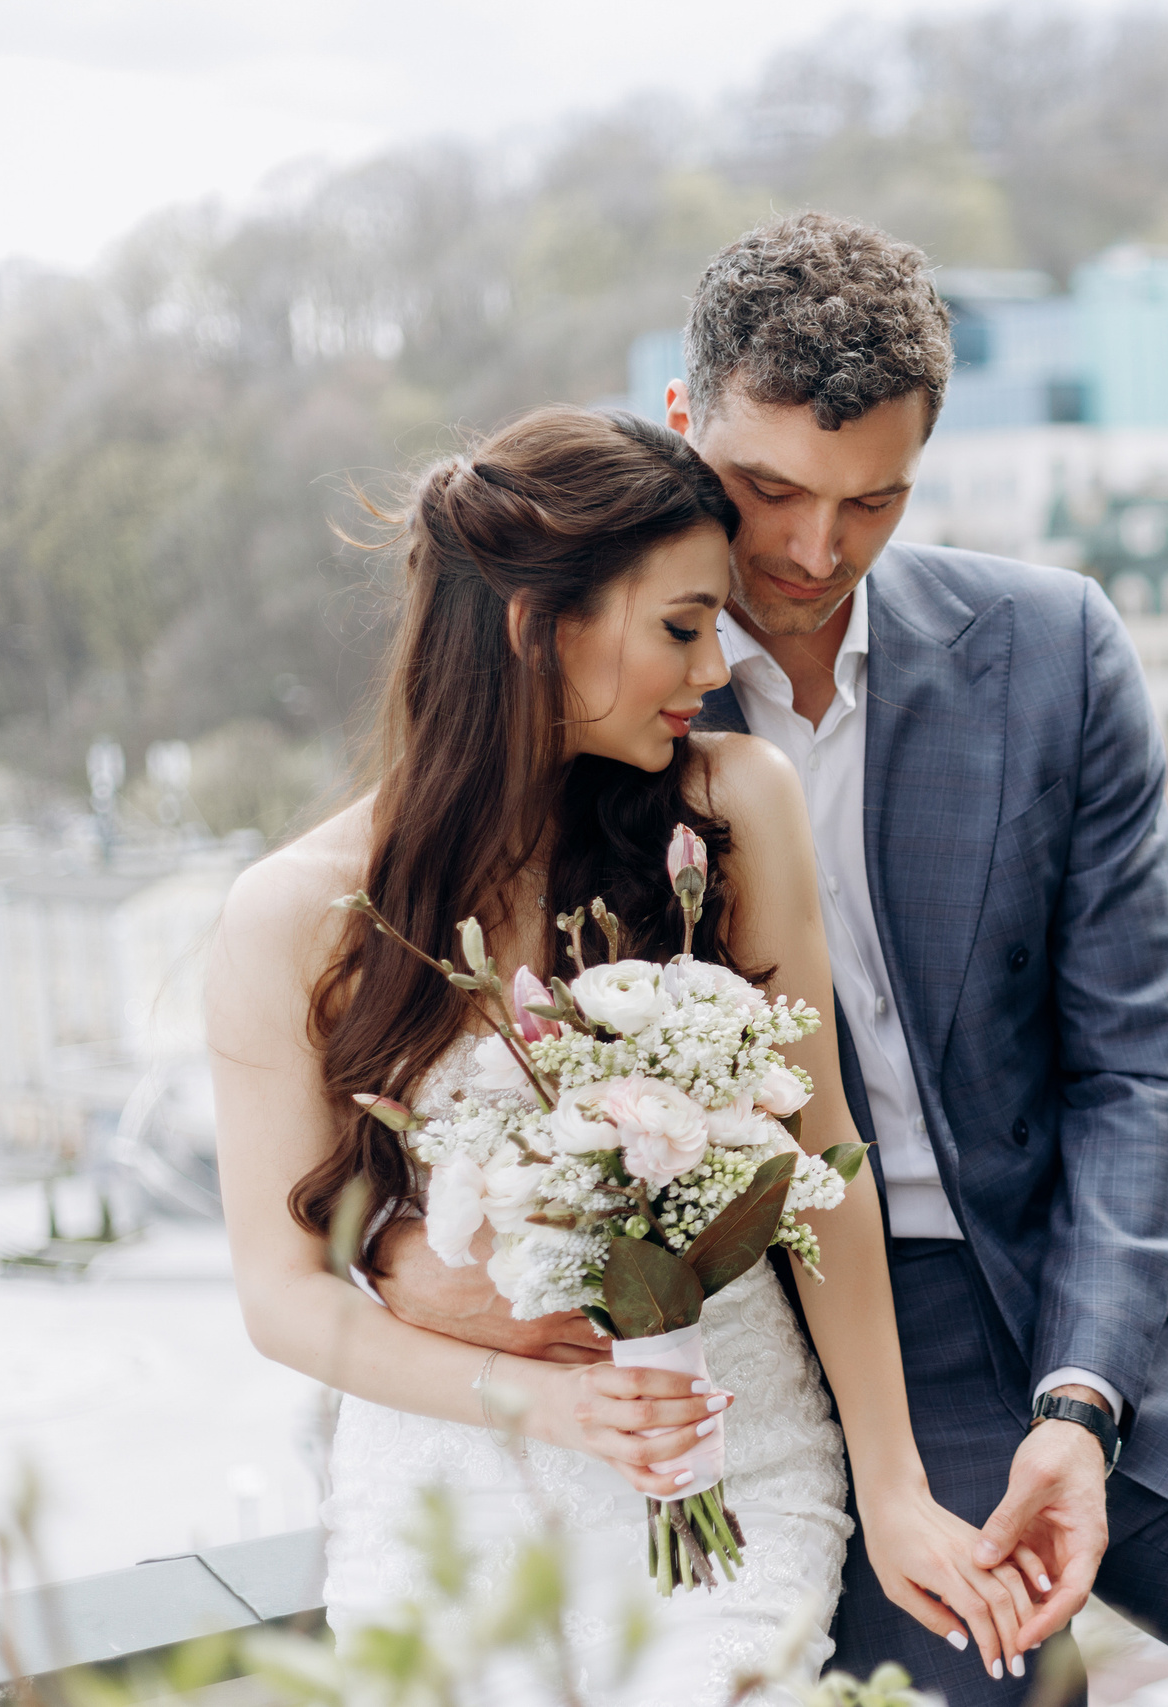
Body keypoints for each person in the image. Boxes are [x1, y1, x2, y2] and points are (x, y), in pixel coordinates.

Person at [372, 213, 1168, 1704]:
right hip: (826, 1367)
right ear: (686, 428)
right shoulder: (607, 712)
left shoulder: (1056, 650)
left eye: (876, 499)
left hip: (1124, 1325)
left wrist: (1082, 1398)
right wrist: (432, 1266)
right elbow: (439, 1077)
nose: (814, 551)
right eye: (768, 491)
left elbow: (1139, 1070)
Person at [205, 405, 1047, 1705]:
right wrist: (532, 1399)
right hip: (453, 1496)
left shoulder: (732, 808)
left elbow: (824, 1162)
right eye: (681, 626)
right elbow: (286, 1299)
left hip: (730, 1467)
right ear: (538, 631)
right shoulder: (293, 918)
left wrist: (897, 1491)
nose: (714, 666)